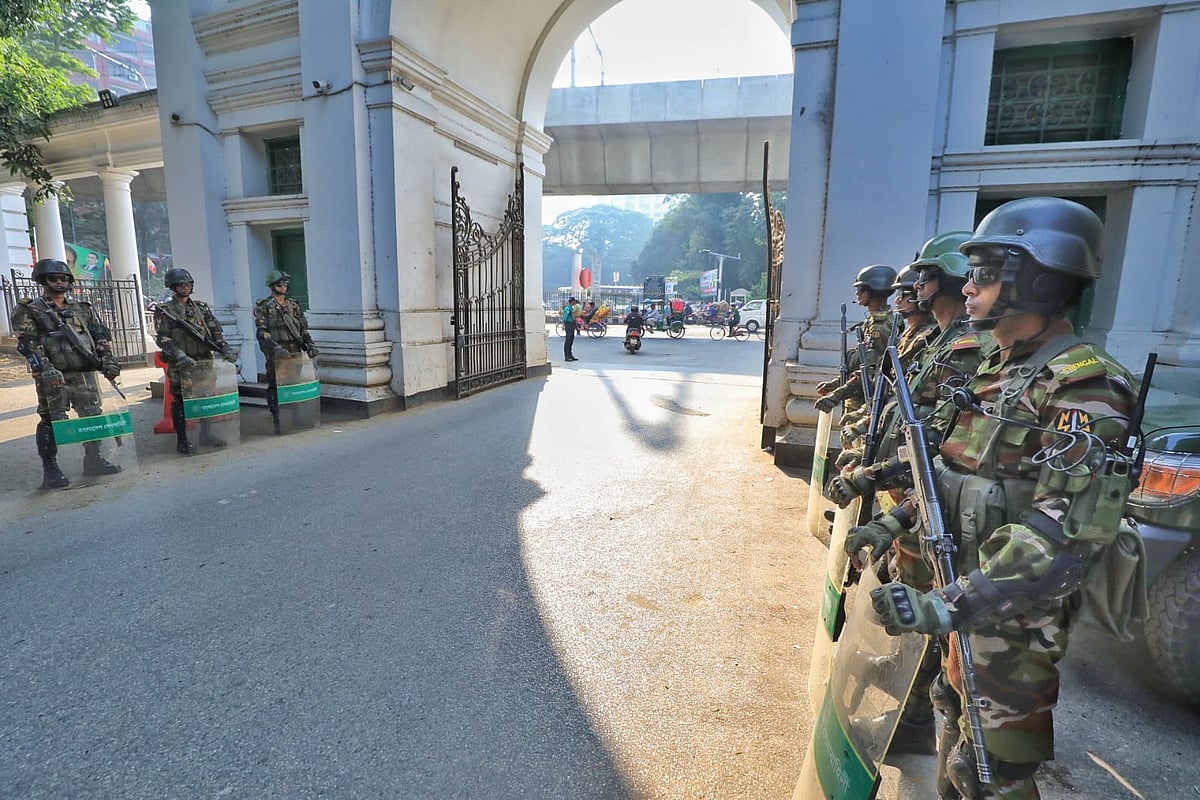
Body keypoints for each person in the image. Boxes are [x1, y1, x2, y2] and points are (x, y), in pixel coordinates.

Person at [845, 198, 1138, 798]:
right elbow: (943, 475)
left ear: (1038, 279)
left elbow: (1060, 535)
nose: (969, 286)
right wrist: (892, 524)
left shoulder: (1084, 385)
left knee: (994, 775)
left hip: (1012, 621)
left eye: (985, 271)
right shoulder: (994, 371)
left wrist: (946, 605)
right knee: (949, 726)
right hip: (965, 597)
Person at [10, 258, 123, 488]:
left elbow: (100, 336)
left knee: (92, 415)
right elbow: (28, 344)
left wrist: (108, 362)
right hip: (53, 377)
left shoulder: (82, 309)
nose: (60, 282)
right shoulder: (30, 309)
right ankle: (50, 468)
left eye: (64, 278)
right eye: (54, 278)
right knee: (52, 420)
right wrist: (46, 369)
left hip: (84, 373)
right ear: (43, 281)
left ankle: (93, 459)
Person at [154, 268, 240, 454]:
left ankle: (206, 434)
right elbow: (162, 338)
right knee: (180, 401)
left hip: (203, 361)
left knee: (206, 397)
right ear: (173, 287)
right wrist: (179, 355)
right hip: (181, 364)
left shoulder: (200, 308)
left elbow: (214, 331)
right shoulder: (165, 311)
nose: (186, 287)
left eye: (188, 284)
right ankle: (182, 439)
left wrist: (224, 348)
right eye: (181, 284)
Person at [814, 264, 898, 418]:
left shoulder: (882, 327)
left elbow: (872, 372)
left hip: (868, 406)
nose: (858, 294)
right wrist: (837, 383)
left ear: (874, 291)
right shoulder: (872, 323)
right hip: (858, 402)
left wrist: (837, 395)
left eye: (862, 289)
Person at [254, 270, 318, 434]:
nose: (283, 287)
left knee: (295, 384)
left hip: (295, 353)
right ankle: (278, 421)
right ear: (272, 286)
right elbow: (262, 333)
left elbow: (303, 329)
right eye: (280, 284)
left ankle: (297, 418)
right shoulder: (264, 307)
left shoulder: (293, 305)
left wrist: (310, 345)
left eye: (285, 284)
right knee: (276, 387)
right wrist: (276, 348)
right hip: (277, 355)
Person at [561, 296, 579, 361]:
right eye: (574, 301)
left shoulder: (571, 308)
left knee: (571, 340)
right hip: (568, 324)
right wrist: (564, 325)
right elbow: (565, 317)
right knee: (568, 340)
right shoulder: (567, 308)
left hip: (572, 324)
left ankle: (570, 354)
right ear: (572, 301)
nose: (575, 302)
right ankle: (567, 356)